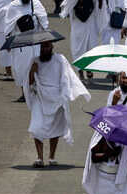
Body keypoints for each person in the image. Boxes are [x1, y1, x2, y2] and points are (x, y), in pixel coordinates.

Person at [25, 40, 90, 168]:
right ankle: (39, 158)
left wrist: (65, 94)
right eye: (43, 46)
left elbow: (67, 77)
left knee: (55, 127)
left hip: (57, 97)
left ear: (52, 47)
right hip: (40, 97)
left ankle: (51, 157)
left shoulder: (60, 59)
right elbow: (29, 83)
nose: (45, 49)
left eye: (47, 46)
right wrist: (32, 71)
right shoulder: (34, 61)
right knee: (36, 126)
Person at [3, 0, 49, 100]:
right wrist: (8, 41)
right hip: (20, 43)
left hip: (35, 41)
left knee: (35, 67)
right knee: (21, 68)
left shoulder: (36, 3)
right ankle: (24, 93)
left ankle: (35, 91)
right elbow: (8, 24)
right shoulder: (13, 6)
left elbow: (43, 21)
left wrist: (46, 40)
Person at [60, 0, 102, 81]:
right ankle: (80, 71)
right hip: (78, 24)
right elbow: (65, 9)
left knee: (90, 46)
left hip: (90, 23)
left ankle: (89, 68)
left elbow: (99, 6)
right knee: (78, 47)